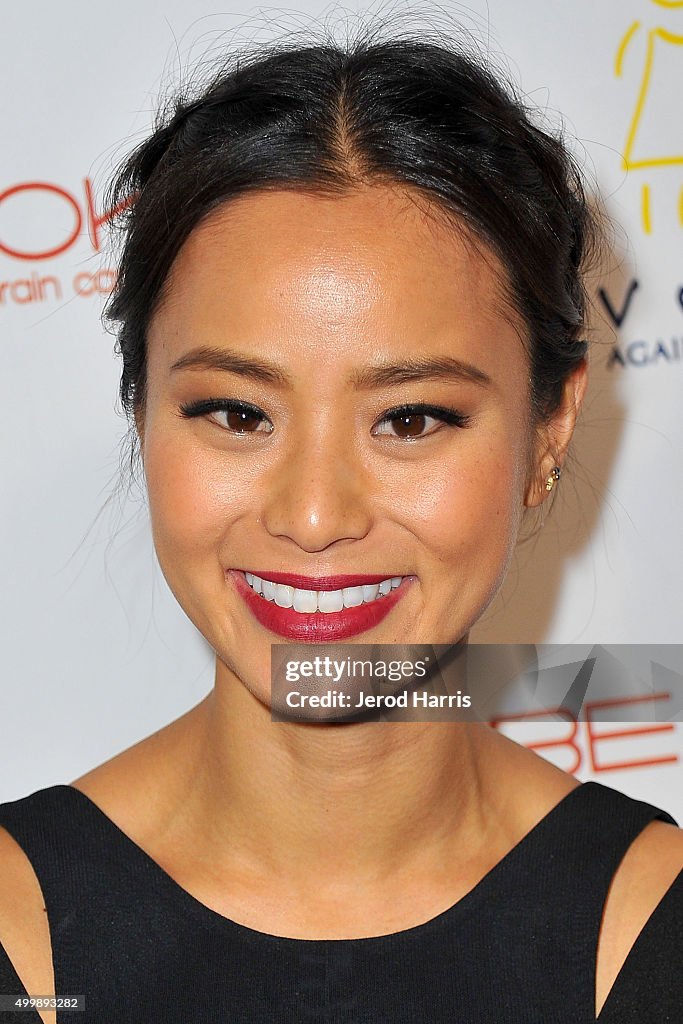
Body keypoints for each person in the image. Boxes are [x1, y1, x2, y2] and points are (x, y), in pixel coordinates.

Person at [1, 24, 681, 1024]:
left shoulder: (649, 926)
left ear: (549, 426)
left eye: (410, 419)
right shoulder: (18, 930)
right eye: (236, 413)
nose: (313, 515)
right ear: (141, 406)